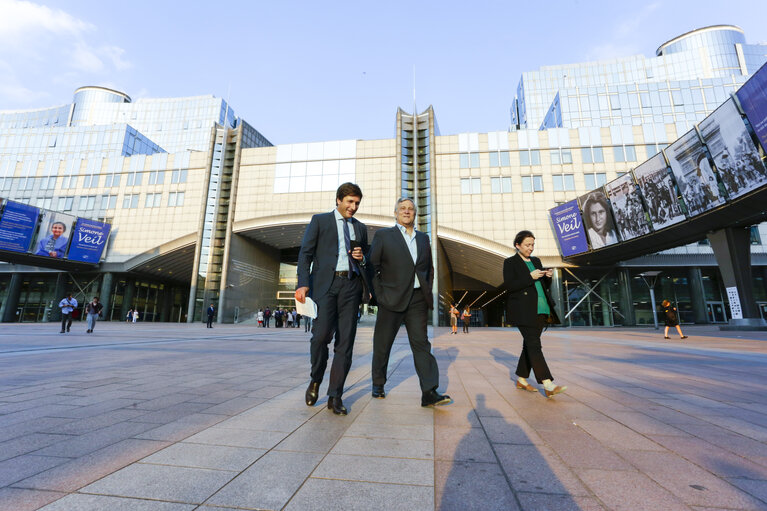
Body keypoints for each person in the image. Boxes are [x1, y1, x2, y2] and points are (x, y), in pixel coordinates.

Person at [295, 182, 371, 416]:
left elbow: (366, 258)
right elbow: (305, 253)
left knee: (345, 343)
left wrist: (362, 258)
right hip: (325, 287)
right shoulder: (320, 221)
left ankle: (335, 396)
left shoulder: (361, 228)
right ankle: (316, 379)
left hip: (351, 286)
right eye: (349, 201)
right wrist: (302, 283)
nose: (353, 207)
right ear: (338, 200)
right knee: (320, 338)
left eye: (357, 203)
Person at [370, 197, 451, 407]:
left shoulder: (423, 238)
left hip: (417, 299)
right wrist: (380, 295)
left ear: (415, 214)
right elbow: (372, 267)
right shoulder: (384, 235)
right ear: (395, 213)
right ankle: (378, 383)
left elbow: (429, 269)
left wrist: (426, 289)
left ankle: (429, 392)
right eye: (402, 208)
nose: (406, 211)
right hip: (391, 299)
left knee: (421, 344)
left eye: (410, 209)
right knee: (383, 344)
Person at [503, 230, 566, 398]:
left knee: (530, 345)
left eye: (532, 245)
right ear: (518, 245)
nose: (531, 248)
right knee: (534, 345)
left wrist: (548, 277)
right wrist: (530, 276)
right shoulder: (510, 262)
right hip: (524, 311)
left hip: (542, 308)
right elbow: (510, 286)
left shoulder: (536, 260)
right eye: (527, 245)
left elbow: (542, 285)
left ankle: (522, 379)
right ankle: (547, 383)